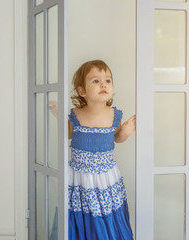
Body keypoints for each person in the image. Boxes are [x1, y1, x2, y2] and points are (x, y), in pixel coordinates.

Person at [68, 60, 135, 240]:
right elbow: (65, 134)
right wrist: (57, 114)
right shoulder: (75, 114)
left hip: (105, 177)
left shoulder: (114, 114)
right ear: (82, 91)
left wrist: (125, 132)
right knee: (81, 218)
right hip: (79, 177)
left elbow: (116, 138)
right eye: (95, 81)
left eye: (108, 80)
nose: (103, 84)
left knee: (106, 218)